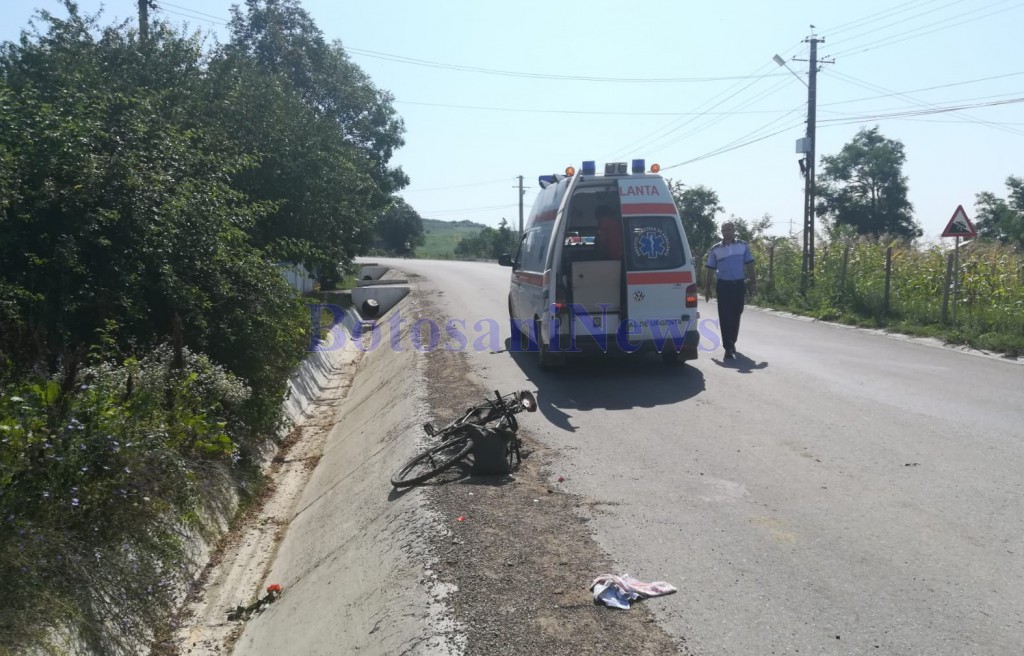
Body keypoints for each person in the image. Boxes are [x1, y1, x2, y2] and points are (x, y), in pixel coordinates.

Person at [704, 222, 756, 359]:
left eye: (729, 229)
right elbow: (710, 270)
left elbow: (750, 265)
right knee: (725, 315)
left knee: (737, 312)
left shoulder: (742, 245)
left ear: (734, 230)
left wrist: (753, 284)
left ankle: (732, 340)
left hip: (738, 285)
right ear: (721, 232)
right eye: (724, 230)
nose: (726, 232)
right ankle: (728, 346)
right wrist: (707, 288)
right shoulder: (715, 249)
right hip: (723, 286)